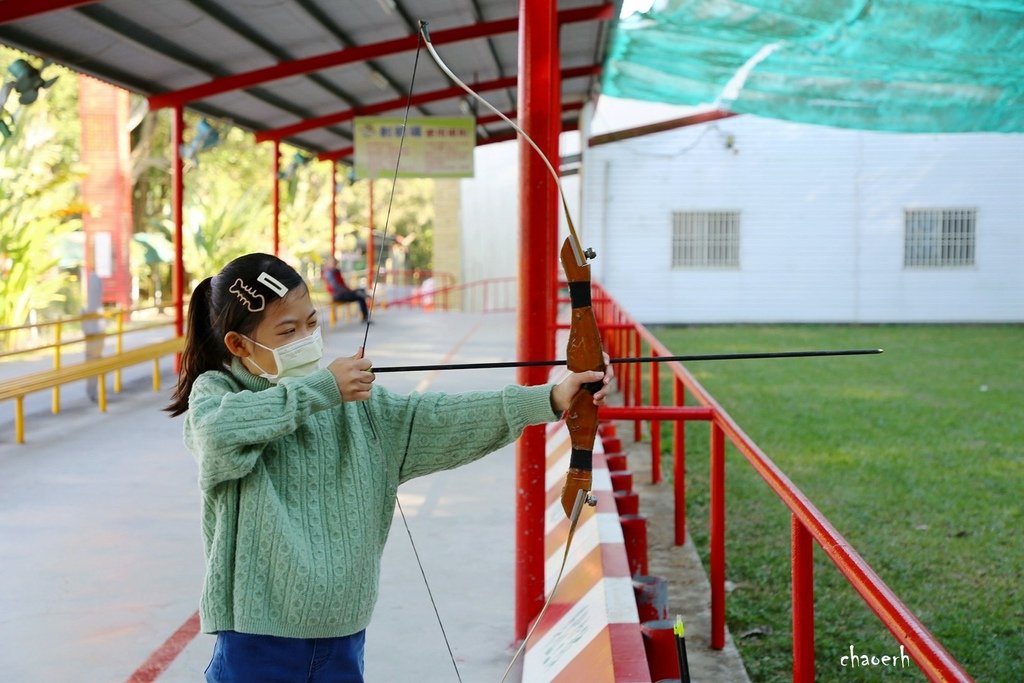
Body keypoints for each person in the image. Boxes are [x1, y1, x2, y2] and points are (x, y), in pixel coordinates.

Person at [165, 252, 611, 682]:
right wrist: (320, 390)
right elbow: (216, 435)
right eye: (287, 331)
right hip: (256, 639)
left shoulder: (354, 402)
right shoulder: (219, 394)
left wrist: (550, 398)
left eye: (312, 323)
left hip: (343, 632)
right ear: (240, 344)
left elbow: (434, 420)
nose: (307, 339)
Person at [322, 254, 370, 322]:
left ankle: (364, 295)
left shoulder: (335, 272)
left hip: (343, 293)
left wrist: (349, 290)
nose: (335, 264)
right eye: (334, 263)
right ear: (329, 263)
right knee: (360, 296)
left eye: (335, 263)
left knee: (361, 290)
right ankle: (365, 317)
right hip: (338, 295)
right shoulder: (330, 273)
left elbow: (341, 285)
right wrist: (348, 290)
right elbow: (336, 287)